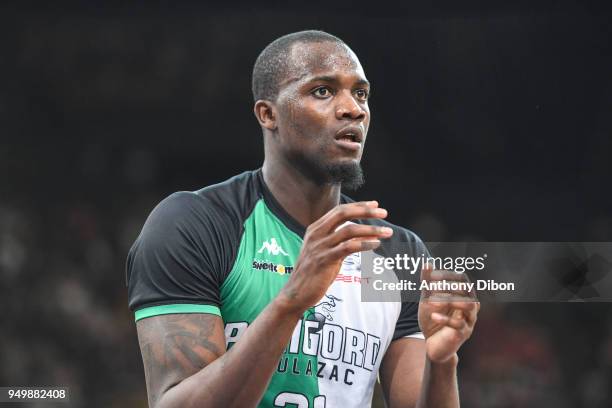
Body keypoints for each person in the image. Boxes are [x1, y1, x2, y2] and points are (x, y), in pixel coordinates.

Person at [126, 30, 479, 408]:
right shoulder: (195, 225)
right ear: (268, 114)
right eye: (323, 91)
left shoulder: (396, 252)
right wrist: (291, 302)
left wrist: (442, 363)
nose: (353, 109)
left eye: (360, 93)